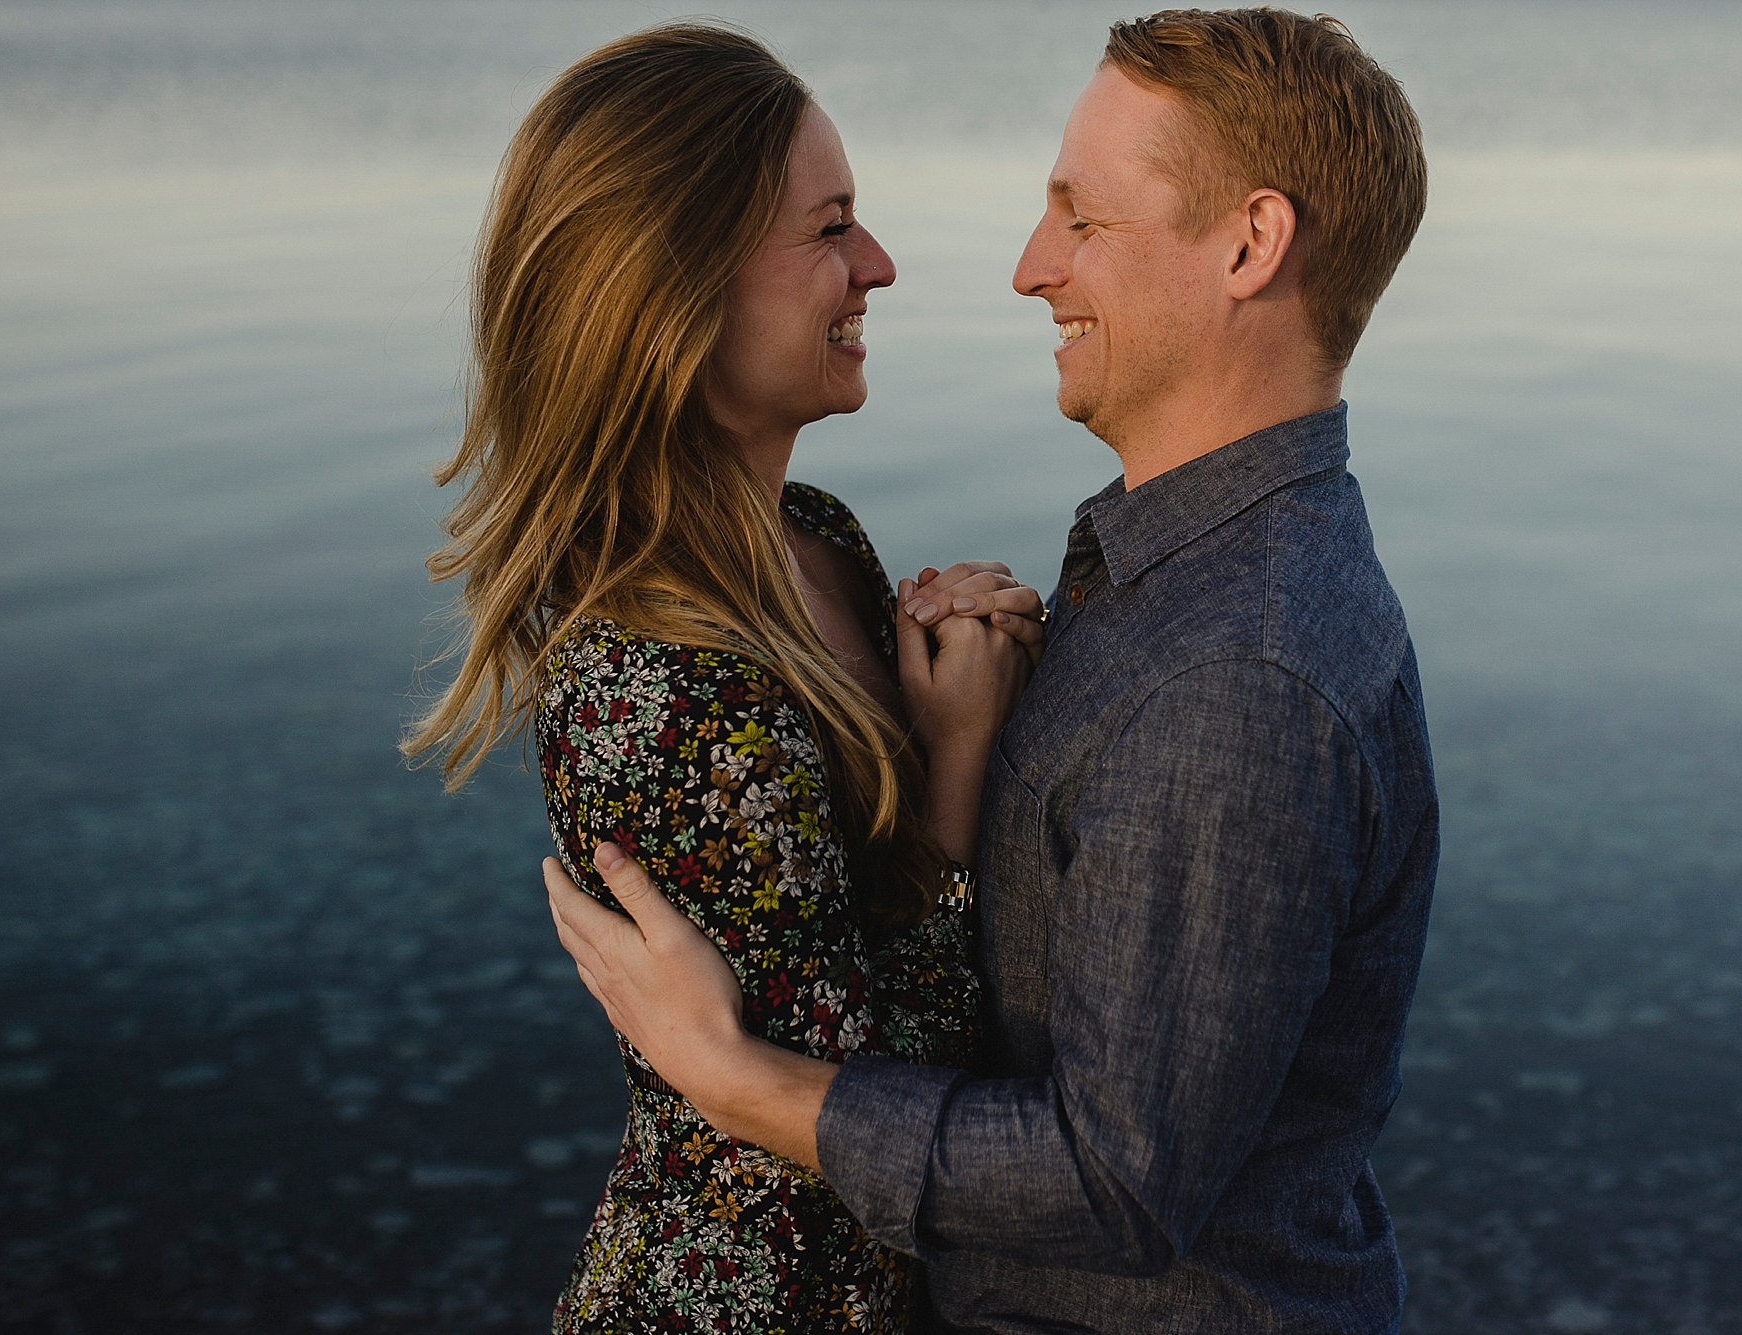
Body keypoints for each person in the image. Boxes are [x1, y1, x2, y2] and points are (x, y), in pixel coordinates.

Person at [545, 8, 1438, 1335]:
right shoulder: (1170, 587)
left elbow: (1114, 1180)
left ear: (1250, 246)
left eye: (1082, 218)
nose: (1028, 268)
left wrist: (732, 1080)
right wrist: (958, 739)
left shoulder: (1236, 678)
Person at [401, 24, 1048, 1334]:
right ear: (678, 289)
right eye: (830, 230)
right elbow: (875, 1104)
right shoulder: (656, 683)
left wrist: (968, 675)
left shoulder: (819, 536)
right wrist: (963, 753)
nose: (879, 264)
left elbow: (885, 933)